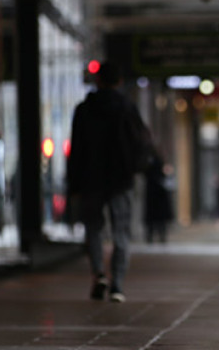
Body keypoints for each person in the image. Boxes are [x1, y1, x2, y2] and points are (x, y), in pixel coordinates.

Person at [66, 61, 151, 304]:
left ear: (98, 80)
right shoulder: (127, 108)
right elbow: (142, 142)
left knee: (93, 229)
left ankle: (98, 273)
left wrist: (74, 185)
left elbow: (76, 150)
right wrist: (135, 168)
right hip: (120, 179)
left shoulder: (83, 109)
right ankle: (118, 286)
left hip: (90, 179)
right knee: (121, 232)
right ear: (120, 82)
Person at [142, 150, 173, 243]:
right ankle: (157, 235)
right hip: (158, 194)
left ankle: (153, 236)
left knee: (155, 218)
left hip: (156, 195)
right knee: (157, 219)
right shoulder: (156, 165)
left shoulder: (153, 164)